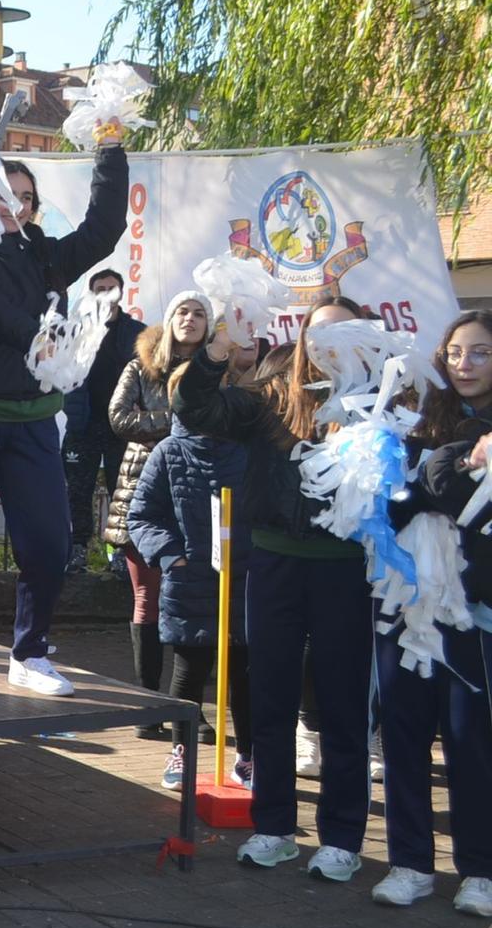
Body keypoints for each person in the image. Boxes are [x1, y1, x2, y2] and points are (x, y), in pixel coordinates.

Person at [174, 295, 376, 879]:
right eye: (318, 335)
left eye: (343, 335)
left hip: (346, 570)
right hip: (274, 564)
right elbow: (195, 409)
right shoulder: (271, 396)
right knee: (270, 701)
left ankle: (342, 838)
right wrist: (215, 350)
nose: (328, 346)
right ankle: (275, 828)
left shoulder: (383, 401)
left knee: (341, 706)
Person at [0, 113, 128, 701]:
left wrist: (110, 147)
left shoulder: (46, 256)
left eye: (23, 198)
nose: (13, 206)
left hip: (35, 421)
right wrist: (45, 339)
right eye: (1, 197)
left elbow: (103, 230)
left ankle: (30, 651)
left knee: (47, 542)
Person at [370, 311, 492, 914]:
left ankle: (479, 871)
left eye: (481, 353)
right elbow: (387, 508)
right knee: (403, 734)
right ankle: (410, 863)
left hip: (475, 613)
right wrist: (454, 469)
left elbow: (452, 498)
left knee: (471, 741)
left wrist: (433, 484)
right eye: (457, 352)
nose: (465, 364)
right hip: (405, 605)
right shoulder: (412, 420)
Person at [127, 351, 259, 792]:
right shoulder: (168, 451)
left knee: (243, 675)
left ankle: (248, 756)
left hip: (243, 579)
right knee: (188, 672)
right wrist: (171, 556)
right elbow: (142, 514)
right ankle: (181, 749)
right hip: (191, 582)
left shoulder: (249, 449)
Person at [104, 291, 210, 725]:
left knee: (195, 602)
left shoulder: (214, 370)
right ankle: (147, 706)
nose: (190, 318)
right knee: (146, 597)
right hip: (142, 489)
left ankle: (188, 707)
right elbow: (119, 418)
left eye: (199, 312)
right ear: (169, 320)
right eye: (182, 311)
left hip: (199, 493)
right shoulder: (140, 366)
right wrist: (179, 421)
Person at [63, 270, 144, 572]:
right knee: (76, 491)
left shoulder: (138, 332)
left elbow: (148, 377)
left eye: (111, 288)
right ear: (91, 293)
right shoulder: (75, 330)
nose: (106, 293)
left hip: (121, 428)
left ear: (121, 293)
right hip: (82, 425)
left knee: (122, 492)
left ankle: (120, 554)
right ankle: (76, 549)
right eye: (100, 289)